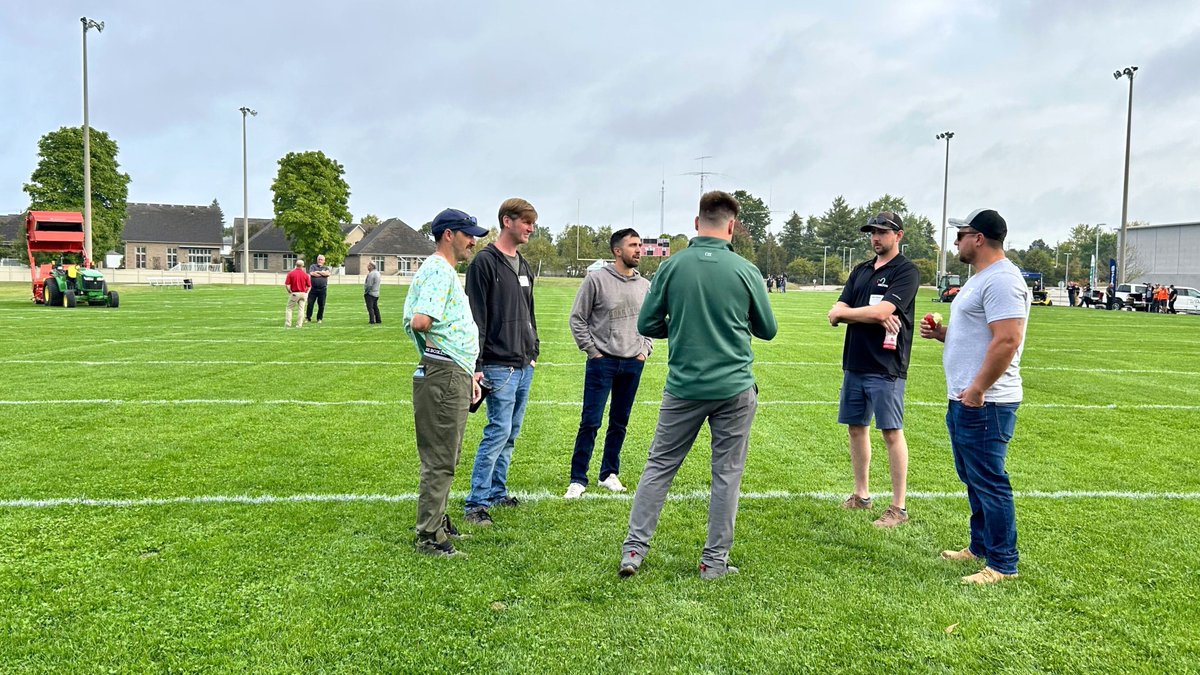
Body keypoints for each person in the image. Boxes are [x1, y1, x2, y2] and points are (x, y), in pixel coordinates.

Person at [619, 191, 777, 580]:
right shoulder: (746, 271)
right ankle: (714, 561)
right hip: (734, 387)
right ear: (732, 226)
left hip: (684, 386)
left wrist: (678, 324)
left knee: (659, 466)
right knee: (727, 473)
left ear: (696, 223)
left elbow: (646, 325)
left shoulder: (672, 267)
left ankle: (634, 550)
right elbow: (767, 329)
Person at [920, 208, 1030, 585]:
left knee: (989, 480)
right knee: (973, 477)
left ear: (979, 238)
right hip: (967, 398)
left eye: (961, 235)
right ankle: (979, 546)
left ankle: (1002, 564)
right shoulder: (982, 278)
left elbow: (1008, 338)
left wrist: (979, 388)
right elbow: (980, 334)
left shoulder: (1002, 281)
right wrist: (943, 333)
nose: (955, 241)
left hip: (987, 401)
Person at [404, 208, 489, 556]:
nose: (473, 241)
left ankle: (437, 521)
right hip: (444, 374)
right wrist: (450, 358)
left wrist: (465, 369)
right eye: (468, 234)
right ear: (448, 235)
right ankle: (429, 536)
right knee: (441, 456)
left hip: (451, 371)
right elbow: (421, 320)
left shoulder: (442, 270)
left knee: (446, 451)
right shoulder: (439, 270)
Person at [827, 211, 921, 527]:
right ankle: (862, 495)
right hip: (855, 362)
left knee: (891, 432)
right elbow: (834, 311)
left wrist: (854, 314)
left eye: (882, 231)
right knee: (856, 427)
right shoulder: (862, 270)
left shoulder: (906, 272)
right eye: (873, 232)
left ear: (899, 235)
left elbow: (883, 310)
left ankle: (898, 508)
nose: (876, 237)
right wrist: (861, 314)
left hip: (886, 365)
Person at [463, 198, 540, 526]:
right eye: (526, 222)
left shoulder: (523, 263)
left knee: (511, 432)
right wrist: (477, 364)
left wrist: (533, 350)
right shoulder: (484, 262)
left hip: (524, 364)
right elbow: (476, 315)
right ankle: (476, 503)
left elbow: (529, 311)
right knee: (497, 431)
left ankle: (497, 491)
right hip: (497, 364)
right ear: (507, 221)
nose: (531, 229)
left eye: (532, 223)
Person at [565, 228, 653, 499]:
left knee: (619, 421)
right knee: (590, 421)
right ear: (617, 251)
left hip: (632, 363)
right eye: (633, 245)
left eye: (639, 245)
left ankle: (608, 473)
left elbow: (651, 321)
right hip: (602, 362)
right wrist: (593, 351)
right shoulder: (596, 280)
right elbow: (577, 318)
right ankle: (578, 478)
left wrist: (645, 350)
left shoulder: (645, 285)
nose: (639, 250)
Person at [306, 254, 333, 324]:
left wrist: (318, 272)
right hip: (313, 289)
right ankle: (308, 318)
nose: (320, 261)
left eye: (321, 259)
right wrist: (322, 273)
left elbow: (327, 274)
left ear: (324, 261)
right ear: (317, 260)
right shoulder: (313, 266)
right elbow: (312, 273)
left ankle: (319, 318)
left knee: (321, 305)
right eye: (319, 259)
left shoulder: (326, 267)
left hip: (323, 289)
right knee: (310, 304)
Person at [283, 259, 310, 328]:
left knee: (289, 308)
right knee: (301, 309)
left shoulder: (291, 273)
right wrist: (306, 292)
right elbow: (309, 286)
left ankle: (288, 324)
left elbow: (287, 284)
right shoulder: (305, 275)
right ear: (303, 266)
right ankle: (299, 325)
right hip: (303, 293)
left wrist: (289, 291)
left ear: (296, 265)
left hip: (295, 293)